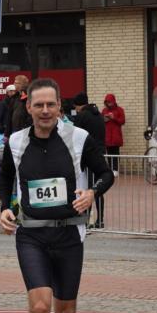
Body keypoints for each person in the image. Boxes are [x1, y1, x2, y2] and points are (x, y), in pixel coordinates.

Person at [0, 78, 113, 313]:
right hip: (31, 233)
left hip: (69, 233)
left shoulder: (79, 138)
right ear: (29, 107)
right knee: (39, 306)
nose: (45, 110)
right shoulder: (16, 142)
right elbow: (5, 177)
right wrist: (5, 207)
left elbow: (106, 174)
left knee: (65, 310)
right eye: (39, 105)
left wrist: (92, 193)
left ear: (59, 106)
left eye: (51, 104)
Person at [73, 92, 107, 229]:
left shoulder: (82, 116)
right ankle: (100, 220)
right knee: (97, 189)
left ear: (78, 105)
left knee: (87, 189)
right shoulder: (98, 115)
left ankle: (86, 220)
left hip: (87, 156)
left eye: (75, 107)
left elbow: (75, 135)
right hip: (100, 153)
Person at [102, 93, 125, 171]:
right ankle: (110, 169)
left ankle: (115, 169)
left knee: (116, 153)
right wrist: (104, 120)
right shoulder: (104, 110)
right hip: (107, 136)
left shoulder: (120, 110)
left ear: (113, 101)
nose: (108, 103)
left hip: (116, 136)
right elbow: (100, 121)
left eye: (110, 102)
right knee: (108, 154)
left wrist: (113, 118)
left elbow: (122, 121)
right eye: (107, 102)